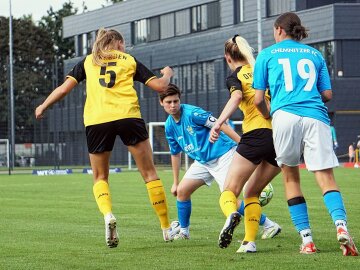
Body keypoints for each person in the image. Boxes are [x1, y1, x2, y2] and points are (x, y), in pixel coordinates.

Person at [35, 28, 177, 248]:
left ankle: (108, 215)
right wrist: (167, 73)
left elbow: (64, 90)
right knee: (149, 174)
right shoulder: (129, 60)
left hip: (97, 120)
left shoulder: (88, 61)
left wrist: (44, 105)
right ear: (118, 42)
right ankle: (166, 229)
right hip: (129, 116)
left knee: (100, 177)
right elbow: (161, 86)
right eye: (123, 43)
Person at [252, 12, 358, 256]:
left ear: (279, 29)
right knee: (326, 178)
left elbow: (258, 99)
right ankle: (341, 228)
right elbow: (328, 94)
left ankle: (307, 241)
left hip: (284, 117)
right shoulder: (315, 54)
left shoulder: (267, 55)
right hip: (315, 116)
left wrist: (270, 114)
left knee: (291, 178)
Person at [159, 84, 281, 241]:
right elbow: (175, 153)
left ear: (179, 99)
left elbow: (221, 124)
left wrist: (243, 145)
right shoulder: (169, 126)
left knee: (230, 198)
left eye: (175, 101)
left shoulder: (193, 113)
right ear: (162, 103)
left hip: (223, 156)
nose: (173, 105)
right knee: (182, 191)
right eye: (169, 102)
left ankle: (270, 225)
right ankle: (184, 231)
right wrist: (175, 182)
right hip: (203, 162)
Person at [209, 35, 281, 253]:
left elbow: (236, 97)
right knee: (252, 192)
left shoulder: (236, 76)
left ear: (227, 58)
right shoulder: (262, 71)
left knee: (230, 190)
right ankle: (249, 242)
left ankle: (232, 213)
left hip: (256, 134)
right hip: (280, 136)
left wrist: (219, 123)